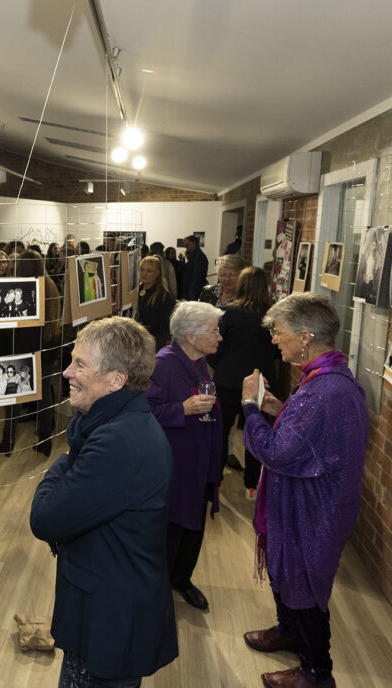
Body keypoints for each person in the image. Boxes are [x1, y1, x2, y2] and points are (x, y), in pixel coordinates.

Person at [31, 316, 178, 687]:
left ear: (116, 380)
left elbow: (45, 518)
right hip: (103, 606)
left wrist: (62, 463)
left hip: (109, 620)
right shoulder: (111, 424)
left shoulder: (118, 442)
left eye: (80, 364)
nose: (67, 372)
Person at [240, 293, 369, 688]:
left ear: (306, 337)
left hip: (314, 512)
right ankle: (288, 631)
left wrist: (249, 406)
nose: (275, 341)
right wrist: (279, 412)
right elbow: (312, 439)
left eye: (280, 333)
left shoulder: (323, 391)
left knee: (305, 587)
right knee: (288, 575)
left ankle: (316, 673)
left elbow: (277, 453)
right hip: (305, 504)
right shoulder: (326, 378)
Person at [145, 301, 223, 613]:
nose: (219, 337)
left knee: (195, 527)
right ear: (190, 336)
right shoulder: (164, 363)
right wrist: (183, 409)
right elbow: (144, 410)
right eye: (214, 331)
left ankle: (182, 579)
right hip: (175, 463)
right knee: (172, 528)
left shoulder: (200, 360)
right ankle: (158, 589)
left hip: (199, 460)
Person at [208, 267, 276, 493]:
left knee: (220, 432)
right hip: (260, 382)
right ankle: (251, 486)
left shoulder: (227, 312)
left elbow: (215, 346)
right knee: (256, 433)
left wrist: (221, 365)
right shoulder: (273, 315)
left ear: (241, 285)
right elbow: (277, 352)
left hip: (228, 379)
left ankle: (215, 482)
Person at [0, 250, 59, 457]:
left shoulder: (21, 289)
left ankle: (8, 441)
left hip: (23, 348)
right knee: (44, 396)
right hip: (47, 348)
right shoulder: (51, 287)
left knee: (13, 395)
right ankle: (45, 440)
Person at [135, 255, 175, 348]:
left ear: (157, 273)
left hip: (151, 344)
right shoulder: (135, 291)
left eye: (149, 271)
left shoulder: (163, 296)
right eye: (142, 269)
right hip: (135, 340)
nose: (144, 274)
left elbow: (164, 329)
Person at [182, 235, 208, 300]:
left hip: (194, 290)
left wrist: (193, 290)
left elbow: (197, 274)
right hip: (190, 288)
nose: (185, 246)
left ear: (193, 243)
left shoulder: (199, 256)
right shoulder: (192, 256)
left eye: (187, 244)